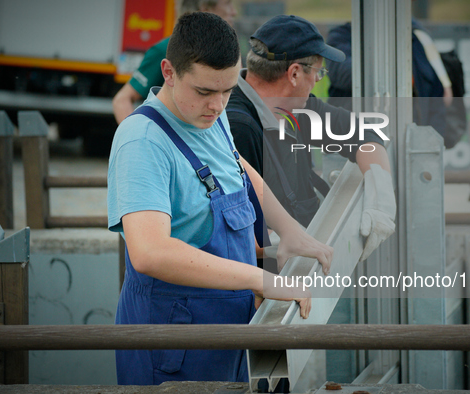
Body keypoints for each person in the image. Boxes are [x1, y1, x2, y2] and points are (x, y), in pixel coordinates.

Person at [107, 12, 333, 385]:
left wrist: (289, 230)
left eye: (227, 90)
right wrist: (260, 279)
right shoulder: (142, 141)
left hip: (227, 333)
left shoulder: (213, 116)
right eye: (204, 92)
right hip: (174, 344)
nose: (217, 104)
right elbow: (150, 253)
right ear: (168, 71)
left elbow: (239, 167)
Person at [226, 15, 396, 270]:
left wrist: (380, 199)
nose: (318, 80)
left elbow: (365, 136)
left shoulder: (296, 107)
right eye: (318, 71)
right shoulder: (237, 127)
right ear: (294, 73)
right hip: (264, 289)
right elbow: (231, 232)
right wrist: (289, 240)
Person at [112, 0, 238, 123]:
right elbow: (122, 99)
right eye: (227, 3)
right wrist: (137, 138)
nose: (234, 12)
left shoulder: (229, 51)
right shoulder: (166, 49)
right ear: (205, 8)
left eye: (227, 90)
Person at [326, 20, 448, 138]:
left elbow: (436, 94)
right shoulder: (343, 36)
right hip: (352, 139)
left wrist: (431, 140)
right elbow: (343, 74)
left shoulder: (415, 38)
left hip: (407, 139)